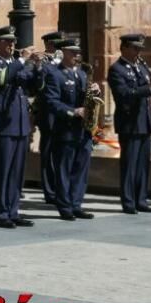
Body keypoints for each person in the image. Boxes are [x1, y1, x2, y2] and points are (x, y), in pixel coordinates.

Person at [0, 26, 38, 228]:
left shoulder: (13, 63)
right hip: (1, 126)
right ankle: (1, 212)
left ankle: (13, 211)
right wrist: (23, 60)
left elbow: (31, 85)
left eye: (13, 41)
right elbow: (1, 79)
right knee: (1, 172)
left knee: (16, 173)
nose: (12, 45)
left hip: (19, 125)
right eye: (7, 41)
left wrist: (37, 67)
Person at [107, 33, 151, 214]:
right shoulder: (117, 69)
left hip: (144, 121)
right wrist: (148, 88)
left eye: (140, 49)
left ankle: (141, 199)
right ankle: (129, 202)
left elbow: (149, 93)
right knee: (130, 164)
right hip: (129, 122)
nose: (138, 52)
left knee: (143, 163)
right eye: (135, 48)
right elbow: (124, 94)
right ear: (124, 48)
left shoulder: (141, 67)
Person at [45, 39, 98, 221]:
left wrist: (95, 92)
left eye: (78, 52)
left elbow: (86, 98)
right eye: (72, 52)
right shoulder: (55, 74)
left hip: (83, 130)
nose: (76, 55)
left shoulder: (82, 74)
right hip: (65, 129)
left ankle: (76, 204)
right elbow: (52, 102)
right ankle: (65, 206)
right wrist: (73, 111)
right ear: (63, 52)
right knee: (63, 169)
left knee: (80, 169)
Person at [33, 32, 63, 205]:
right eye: (56, 47)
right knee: (48, 153)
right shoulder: (44, 64)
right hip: (48, 114)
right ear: (49, 46)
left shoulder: (65, 63)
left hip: (63, 115)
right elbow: (40, 85)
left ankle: (61, 189)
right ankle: (50, 191)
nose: (59, 50)